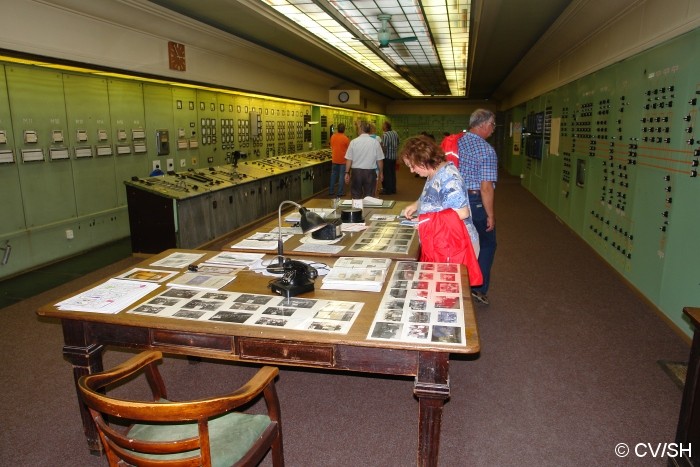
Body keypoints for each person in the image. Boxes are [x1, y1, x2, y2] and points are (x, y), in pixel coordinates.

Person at [401, 135, 480, 268]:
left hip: (456, 244)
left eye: (412, 166)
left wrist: (426, 221)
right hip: (443, 240)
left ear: (423, 160)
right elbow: (431, 194)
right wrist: (417, 204)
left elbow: (462, 213)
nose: (411, 170)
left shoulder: (449, 178)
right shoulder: (433, 171)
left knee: (450, 286)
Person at [458, 108, 498, 305]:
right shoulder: (486, 150)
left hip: (456, 202)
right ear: (483, 125)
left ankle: (459, 282)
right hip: (475, 203)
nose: (493, 129)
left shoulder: (457, 142)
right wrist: (490, 214)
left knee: (463, 242)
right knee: (488, 243)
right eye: (492, 125)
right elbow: (486, 187)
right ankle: (478, 287)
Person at [344, 121, 384, 199]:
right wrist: (381, 173)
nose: (357, 130)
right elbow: (380, 160)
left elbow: (349, 159)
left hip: (356, 173)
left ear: (361, 129)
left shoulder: (353, 142)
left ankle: (356, 210)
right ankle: (368, 210)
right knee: (369, 197)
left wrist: (347, 172)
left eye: (358, 128)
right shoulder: (375, 142)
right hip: (370, 173)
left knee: (356, 196)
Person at [328, 123, 349, 197]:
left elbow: (331, 146)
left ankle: (331, 191)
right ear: (344, 129)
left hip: (334, 160)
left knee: (333, 176)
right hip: (343, 160)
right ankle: (340, 192)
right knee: (341, 176)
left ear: (337, 129)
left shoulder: (333, 136)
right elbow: (348, 149)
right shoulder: (345, 138)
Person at [380, 121, 399, 195]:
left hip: (387, 157)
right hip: (393, 156)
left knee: (387, 174)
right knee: (392, 173)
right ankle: (393, 189)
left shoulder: (385, 135)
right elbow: (397, 143)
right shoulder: (395, 133)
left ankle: (387, 190)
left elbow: (384, 147)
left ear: (385, 127)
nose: (382, 126)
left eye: (383, 125)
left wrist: (381, 156)